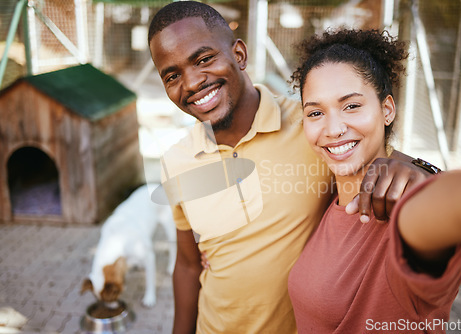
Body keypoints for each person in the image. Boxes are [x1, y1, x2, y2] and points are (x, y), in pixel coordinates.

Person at [148, 2, 432, 333]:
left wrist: (417, 168)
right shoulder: (176, 162)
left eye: (204, 59)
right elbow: (186, 264)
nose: (193, 81)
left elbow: (382, 160)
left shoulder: (312, 129)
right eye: (172, 75)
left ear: (239, 54)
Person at [287, 28, 461, 333]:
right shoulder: (327, 197)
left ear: (386, 110)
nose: (333, 129)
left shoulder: (405, 207)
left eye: (351, 106)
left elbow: (451, 206)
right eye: (316, 112)